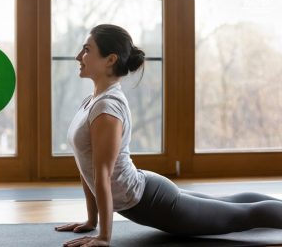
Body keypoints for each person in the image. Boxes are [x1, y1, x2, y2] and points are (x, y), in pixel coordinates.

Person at [54, 24, 282, 247]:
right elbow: (88, 167)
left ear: (110, 59)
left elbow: (102, 173)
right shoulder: (92, 102)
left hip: (154, 203)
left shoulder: (107, 108)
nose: (78, 56)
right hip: (148, 190)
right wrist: (91, 220)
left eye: (87, 50)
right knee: (232, 205)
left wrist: (104, 236)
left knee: (244, 214)